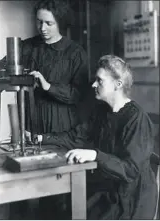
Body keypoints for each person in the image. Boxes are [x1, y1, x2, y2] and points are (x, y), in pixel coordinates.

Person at [0, 0, 88, 219]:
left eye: (49, 23)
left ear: (60, 23)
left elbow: (80, 94)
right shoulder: (30, 46)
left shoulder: (75, 53)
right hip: (32, 122)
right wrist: (5, 68)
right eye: (39, 22)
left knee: (56, 194)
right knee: (19, 189)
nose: (43, 28)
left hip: (61, 128)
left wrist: (48, 86)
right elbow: (4, 64)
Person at [40, 55, 158, 219]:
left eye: (100, 80)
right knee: (60, 205)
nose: (94, 84)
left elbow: (130, 170)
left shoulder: (135, 118)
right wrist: (40, 139)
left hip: (129, 198)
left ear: (118, 84)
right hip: (108, 186)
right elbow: (76, 137)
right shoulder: (101, 111)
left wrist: (95, 154)